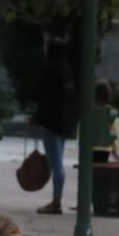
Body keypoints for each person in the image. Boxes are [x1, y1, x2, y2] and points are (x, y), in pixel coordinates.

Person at [34, 39, 76, 215]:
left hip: (51, 122)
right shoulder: (67, 72)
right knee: (57, 161)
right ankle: (56, 199)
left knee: (56, 163)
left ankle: (56, 200)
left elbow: (46, 99)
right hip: (64, 123)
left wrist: (37, 117)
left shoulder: (51, 71)